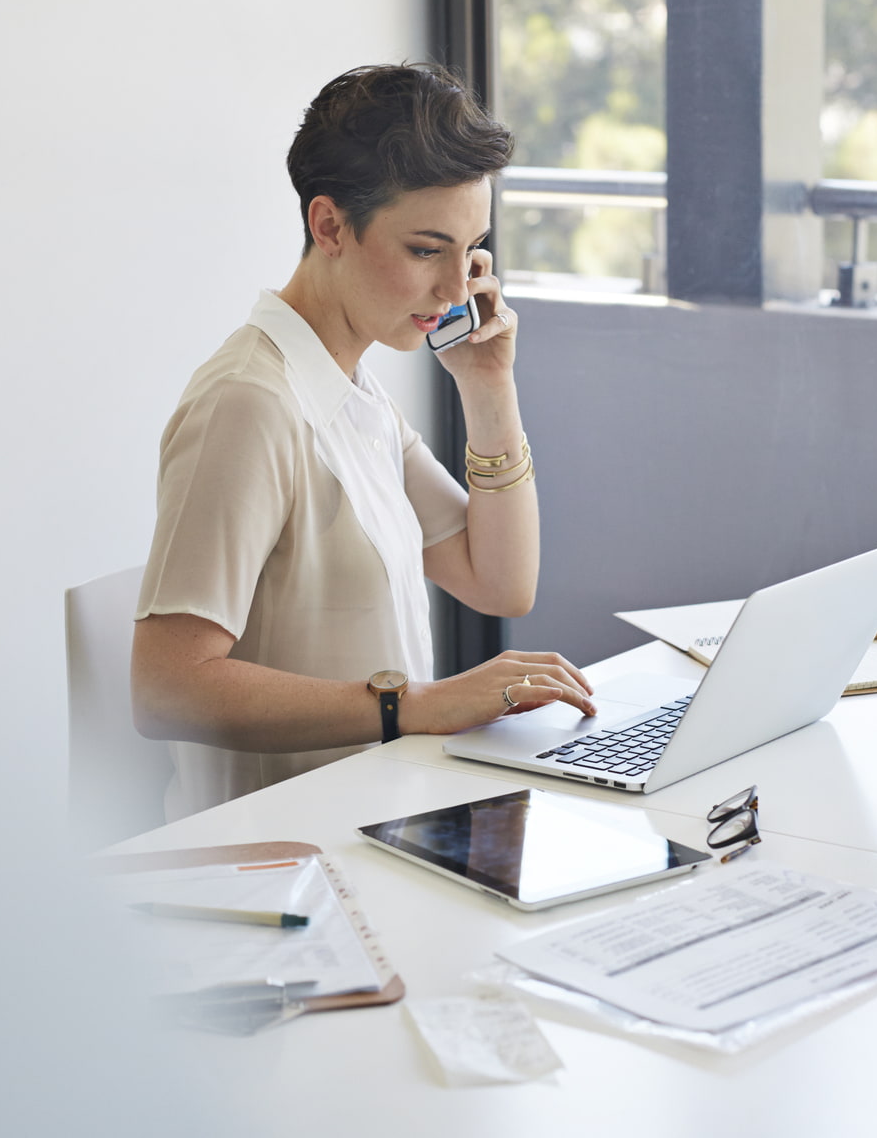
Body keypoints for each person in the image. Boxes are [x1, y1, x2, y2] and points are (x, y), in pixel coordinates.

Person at [130, 62, 595, 817]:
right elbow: (165, 688)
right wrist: (408, 705)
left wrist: (487, 386)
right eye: (423, 249)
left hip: (378, 818)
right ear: (329, 226)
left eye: (469, 249)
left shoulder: (353, 391)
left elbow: (498, 580)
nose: (454, 290)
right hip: (283, 857)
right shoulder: (248, 404)